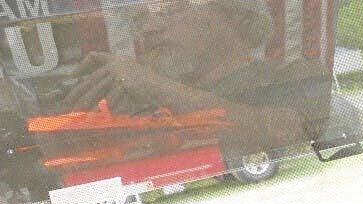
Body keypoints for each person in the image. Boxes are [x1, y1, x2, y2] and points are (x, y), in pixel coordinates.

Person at [61, 0, 330, 154]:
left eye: (171, 9)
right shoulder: (141, 104)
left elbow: (291, 134)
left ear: (235, 15)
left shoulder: (297, 75)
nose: (148, 29)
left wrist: (154, 86)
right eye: (140, 20)